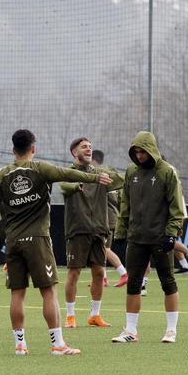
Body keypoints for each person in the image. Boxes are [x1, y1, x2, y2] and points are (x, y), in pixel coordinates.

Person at [0, 129, 111, 355]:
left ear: (13, 150)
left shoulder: (3, 174)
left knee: (17, 293)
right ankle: (57, 344)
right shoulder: (41, 168)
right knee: (49, 292)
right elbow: (69, 174)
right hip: (37, 239)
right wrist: (96, 177)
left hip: (13, 240)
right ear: (33, 149)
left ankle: (20, 344)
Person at [111, 132, 185, 344]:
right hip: (136, 237)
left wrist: (172, 234)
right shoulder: (131, 171)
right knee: (133, 283)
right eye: (136, 151)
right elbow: (125, 204)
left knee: (167, 281)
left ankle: (171, 330)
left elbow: (176, 208)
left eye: (143, 151)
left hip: (160, 238)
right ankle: (131, 331)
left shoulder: (167, 172)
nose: (140, 155)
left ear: (152, 149)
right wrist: (121, 232)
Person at [60, 138, 123, 329]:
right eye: (84, 147)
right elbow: (64, 185)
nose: (88, 149)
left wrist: (138, 171)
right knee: (74, 273)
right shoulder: (69, 173)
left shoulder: (101, 174)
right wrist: (77, 185)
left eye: (90, 147)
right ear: (74, 152)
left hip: (99, 230)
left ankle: (94, 315)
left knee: (99, 272)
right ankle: (70, 316)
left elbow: (122, 178)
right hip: (78, 229)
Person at [91, 150, 128, 287]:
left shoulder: (98, 176)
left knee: (104, 249)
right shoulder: (111, 176)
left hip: (106, 219)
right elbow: (119, 200)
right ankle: (103, 278)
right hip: (112, 218)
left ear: (93, 160)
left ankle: (123, 273)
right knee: (101, 249)